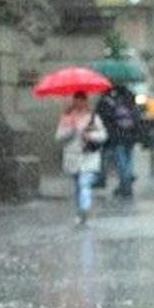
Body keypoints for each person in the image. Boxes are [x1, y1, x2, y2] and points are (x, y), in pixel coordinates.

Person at [55, 91, 108, 226]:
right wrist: (71, 131)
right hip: (72, 157)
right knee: (78, 186)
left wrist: (90, 136)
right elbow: (58, 137)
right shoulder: (67, 117)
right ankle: (80, 211)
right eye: (76, 100)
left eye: (82, 100)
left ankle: (85, 210)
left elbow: (103, 135)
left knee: (84, 183)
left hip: (89, 156)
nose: (79, 103)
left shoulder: (93, 117)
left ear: (85, 101)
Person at [96, 84, 142, 198]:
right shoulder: (131, 101)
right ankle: (126, 182)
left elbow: (107, 120)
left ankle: (125, 186)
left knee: (121, 162)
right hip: (131, 136)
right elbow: (137, 118)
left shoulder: (113, 102)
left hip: (118, 137)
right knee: (128, 160)